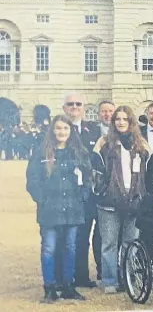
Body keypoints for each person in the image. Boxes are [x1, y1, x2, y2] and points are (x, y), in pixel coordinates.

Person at [26, 115, 92, 303]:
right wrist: (42, 199)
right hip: (50, 209)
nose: (61, 132)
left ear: (70, 131)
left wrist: (82, 197)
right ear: (52, 131)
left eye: (65, 128)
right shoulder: (42, 153)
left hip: (73, 208)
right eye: (58, 128)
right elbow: (32, 179)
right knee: (49, 248)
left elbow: (87, 177)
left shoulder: (79, 152)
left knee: (70, 247)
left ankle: (68, 286)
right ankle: (50, 287)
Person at [94, 105, 150, 294]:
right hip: (109, 203)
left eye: (125, 119)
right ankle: (110, 280)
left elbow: (147, 172)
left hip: (134, 200)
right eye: (117, 119)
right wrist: (103, 190)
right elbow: (96, 170)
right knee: (109, 243)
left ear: (131, 122)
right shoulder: (104, 142)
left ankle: (128, 277)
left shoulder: (140, 144)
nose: (121, 122)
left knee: (130, 242)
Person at [61, 93, 102, 288]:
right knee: (66, 237)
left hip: (89, 193)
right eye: (70, 104)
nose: (74, 107)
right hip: (66, 193)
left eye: (78, 104)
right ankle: (65, 278)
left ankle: (83, 276)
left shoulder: (93, 130)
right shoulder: (57, 129)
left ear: (84, 107)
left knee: (85, 235)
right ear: (64, 108)